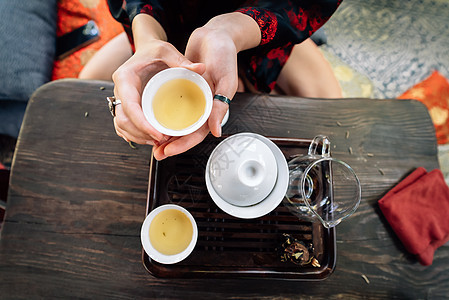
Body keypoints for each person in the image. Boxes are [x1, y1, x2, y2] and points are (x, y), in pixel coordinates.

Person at [79, 0, 343, 161]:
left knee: (335, 121)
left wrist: (228, 32)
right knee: (83, 86)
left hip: (257, 26)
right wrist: (148, 41)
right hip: (162, 21)